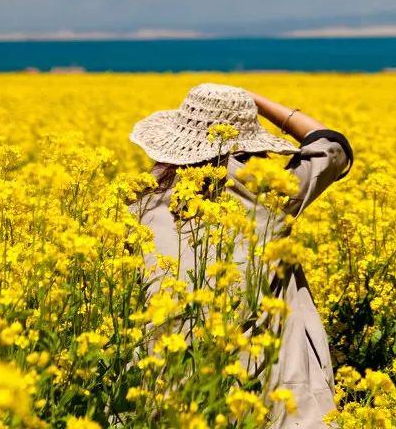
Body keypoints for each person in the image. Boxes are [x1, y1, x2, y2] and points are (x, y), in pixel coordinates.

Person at [128, 82, 353, 428]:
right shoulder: (271, 194)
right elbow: (332, 144)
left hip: (167, 392)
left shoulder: (139, 204)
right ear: (249, 147)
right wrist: (255, 100)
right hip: (264, 398)